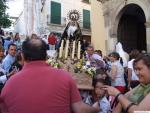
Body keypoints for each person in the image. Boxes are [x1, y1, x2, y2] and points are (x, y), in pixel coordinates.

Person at [0, 38, 100, 113]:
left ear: (22, 55)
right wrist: (95, 109)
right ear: (46, 55)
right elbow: (79, 109)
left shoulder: (10, 83)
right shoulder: (64, 76)